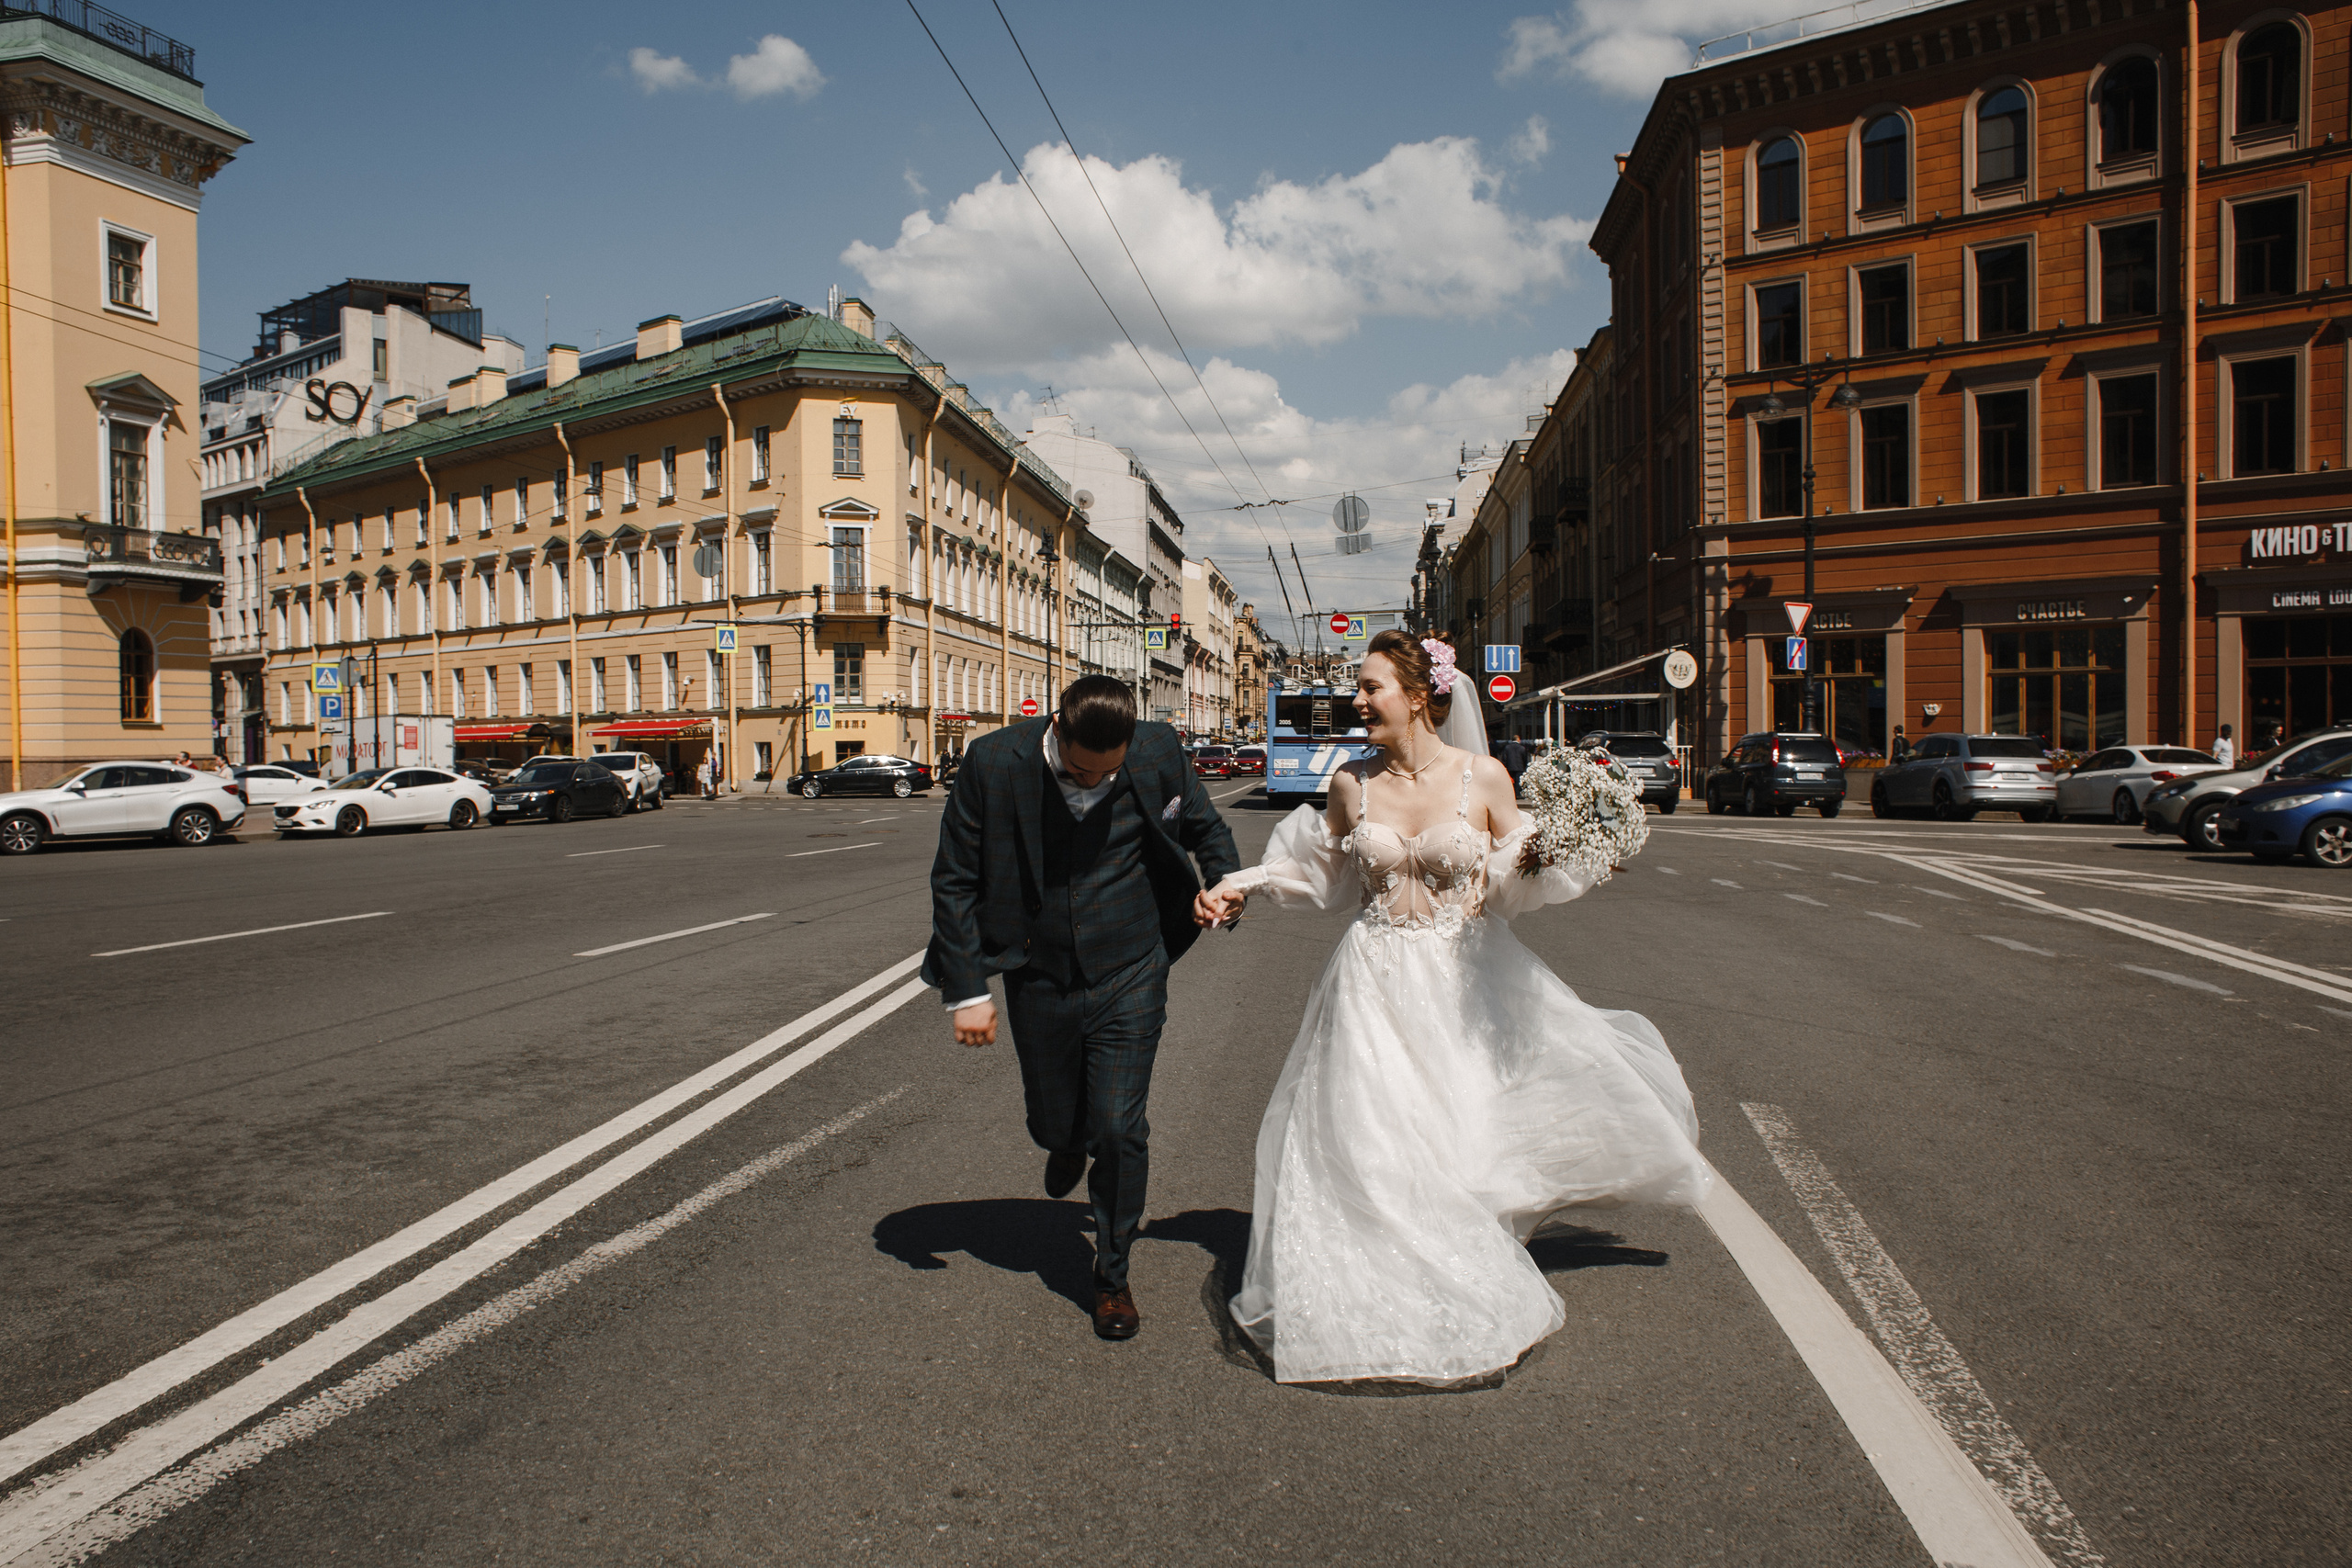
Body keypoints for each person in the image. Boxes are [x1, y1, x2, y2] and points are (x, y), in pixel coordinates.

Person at [1199, 630, 1710, 1387]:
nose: (1358, 700)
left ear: (1417, 694)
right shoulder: (1350, 783)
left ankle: (1452, 1260)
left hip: (1461, 976)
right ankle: (1370, 1276)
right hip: (1371, 977)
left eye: (1371, 687)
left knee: (1456, 1130)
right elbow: (1325, 878)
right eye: (1359, 688)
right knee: (1369, 1132)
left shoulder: (1484, 778)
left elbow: (1514, 884)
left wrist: (1568, 851)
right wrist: (1238, 881)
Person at [924, 675, 1241, 1341]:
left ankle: (1112, 1273)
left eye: (1109, 773)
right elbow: (955, 878)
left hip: (1132, 963)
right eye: (1078, 770)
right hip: (1039, 971)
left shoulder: (1157, 750)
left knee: (1120, 1126)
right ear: (1056, 732)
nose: (1094, 783)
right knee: (1054, 1116)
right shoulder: (993, 761)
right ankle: (1063, 1142)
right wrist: (969, 990)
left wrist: (1225, 884)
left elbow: (1206, 828)